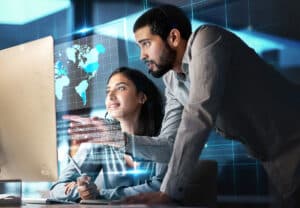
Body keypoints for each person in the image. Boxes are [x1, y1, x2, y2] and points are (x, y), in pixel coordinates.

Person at [65, 4, 300, 207]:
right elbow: (169, 145)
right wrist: (119, 139)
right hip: (271, 159)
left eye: (146, 43)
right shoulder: (172, 80)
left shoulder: (207, 40)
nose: (143, 54)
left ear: (174, 38)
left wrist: (167, 193)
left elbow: (199, 115)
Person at [49, 67, 166, 201]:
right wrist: (81, 190)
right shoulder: (102, 138)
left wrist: (100, 194)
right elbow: (56, 189)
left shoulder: (164, 137)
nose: (110, 96)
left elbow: (161, 188)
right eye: (108, 91)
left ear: (142, 97)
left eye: (121, 88)